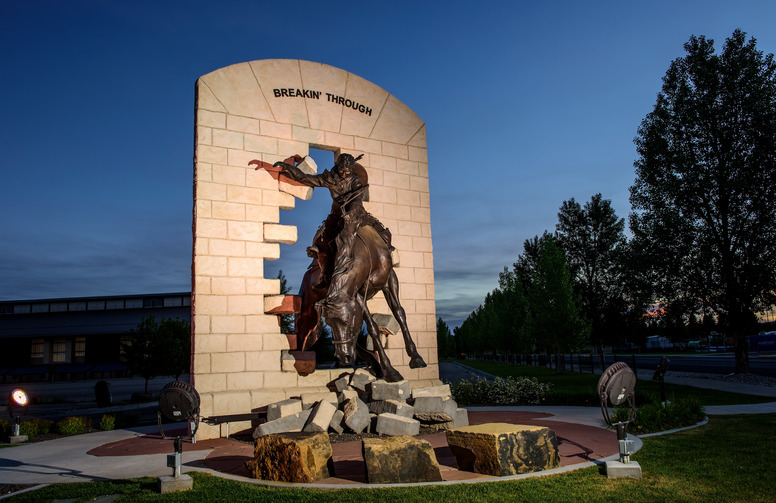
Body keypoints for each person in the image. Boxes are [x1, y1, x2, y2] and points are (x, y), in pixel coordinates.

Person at [274, 153, 393, 292]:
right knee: (321, 243)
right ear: (337, 166)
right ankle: (325, 276)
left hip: (356, 213)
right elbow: (306, 178)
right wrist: (289, 168)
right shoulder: (329, 178)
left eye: (347, 171)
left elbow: (357, 200)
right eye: (342, 169)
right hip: (337, 214)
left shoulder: (355, 181)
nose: (344, 173)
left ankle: (387, 260)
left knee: (383, 233)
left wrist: (351, 213)